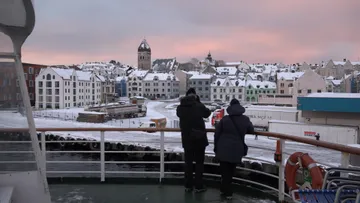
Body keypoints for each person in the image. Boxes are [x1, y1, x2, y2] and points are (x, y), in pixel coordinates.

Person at [214, 98, 254, 200]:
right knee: (231, 171)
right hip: (237, 149)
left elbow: (217, 134)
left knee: (224, 171)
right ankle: (227, 191)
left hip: (223, 148)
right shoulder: (245, 119)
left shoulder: (225, 119)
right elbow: (251, 130)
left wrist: (216, 147)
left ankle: (226, 191)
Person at [176, 88, 211, 193]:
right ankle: (199, 186)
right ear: (195, 96)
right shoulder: (199, 106)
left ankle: (188, 185)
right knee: (199, 163)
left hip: (187, 140)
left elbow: (179, 115)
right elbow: (207, 113)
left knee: (188, 163)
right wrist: (198, 102)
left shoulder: (180, 108)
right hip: (199, 139)